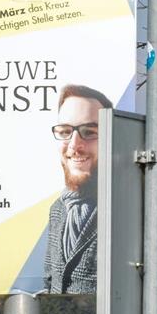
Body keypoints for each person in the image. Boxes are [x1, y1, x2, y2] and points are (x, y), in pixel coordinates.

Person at [43, 84, 113, 294]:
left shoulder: (125, 206)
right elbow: (49, 281)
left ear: (111, 136)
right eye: (65, 131)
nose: (74, 145)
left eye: (89, 132)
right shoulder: (57, 210)